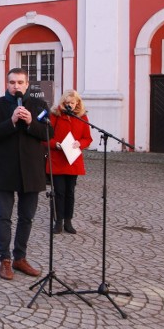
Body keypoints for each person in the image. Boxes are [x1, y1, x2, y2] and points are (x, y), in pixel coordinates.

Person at [0, 68, 52, 280]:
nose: (16, 86)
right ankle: (4, 259)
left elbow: (49, 134)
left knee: (27, 217)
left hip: (31, 170)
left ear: (27, 84)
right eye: (12, 82)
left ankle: (20, 258)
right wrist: (12, 121)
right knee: (3, 216)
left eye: (20, 82)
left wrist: (32, 121)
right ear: (7, 84)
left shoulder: (39, 105)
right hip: (5, 169)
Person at [46, 90, 92, 234]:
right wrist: (56, 145)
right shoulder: (55, 116)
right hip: (58, 159)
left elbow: (87, 138)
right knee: (59, 192)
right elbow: (45, 137)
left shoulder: (82, 117)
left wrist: (80, 143)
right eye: (67, 103)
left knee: (70, 192)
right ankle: (58, 221)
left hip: (73, 160)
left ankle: (68, 221)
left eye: (72, 103)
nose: (70, 106)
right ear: (63, 103)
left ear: (77, 103)